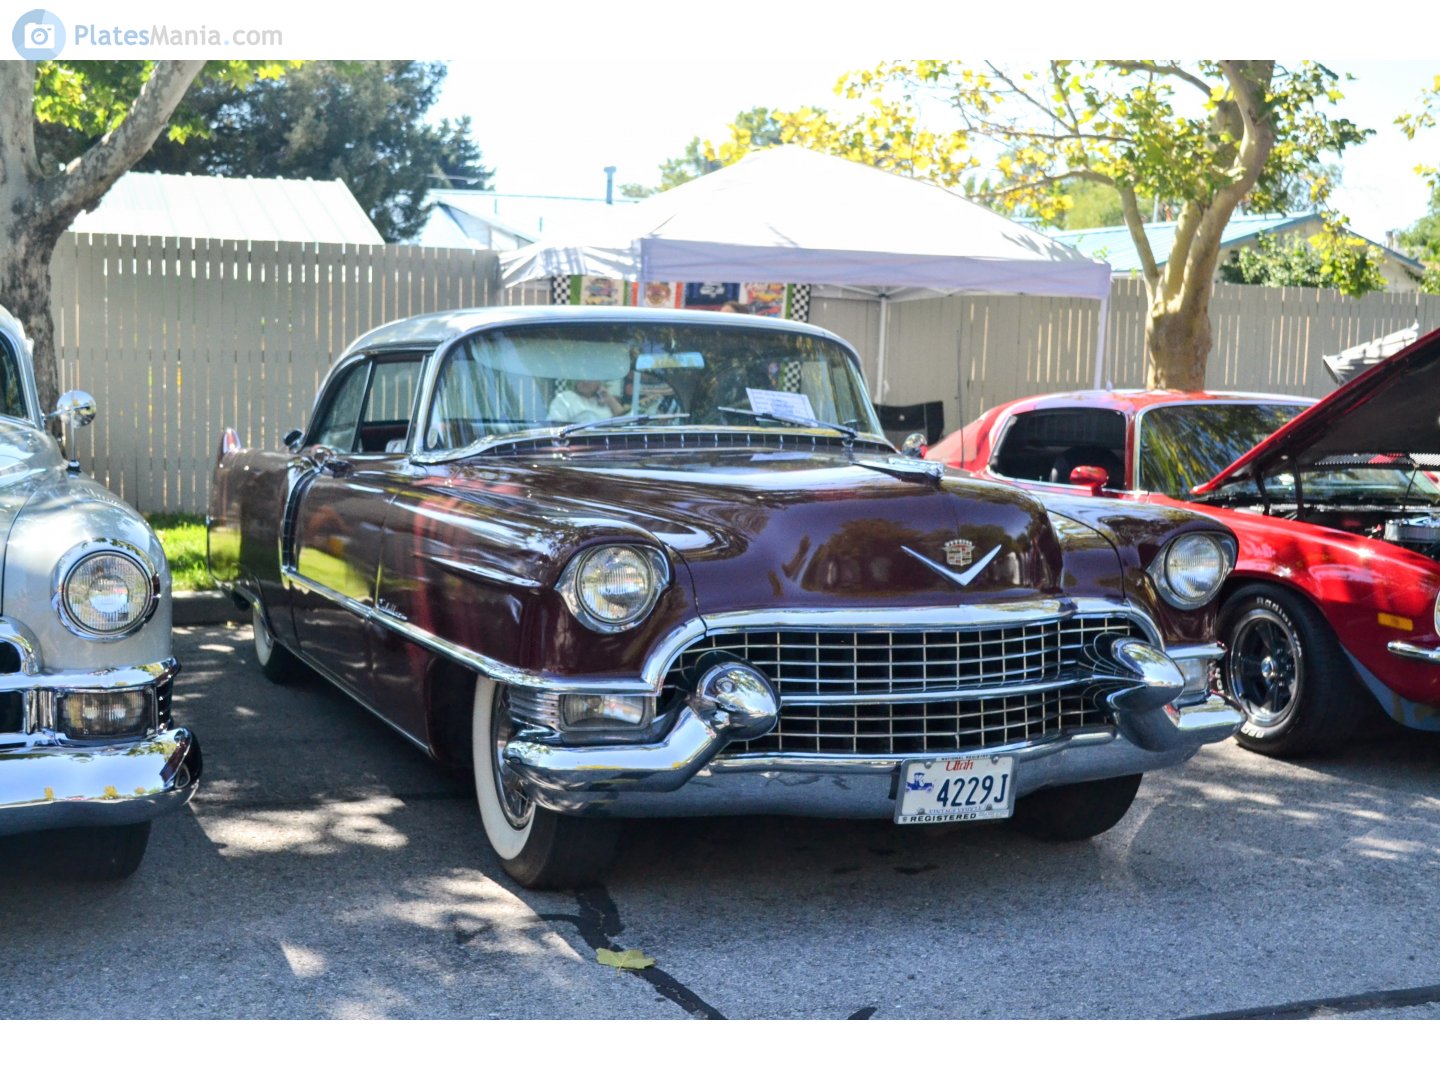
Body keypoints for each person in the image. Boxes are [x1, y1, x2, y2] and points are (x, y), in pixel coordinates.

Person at [548, 379, 625, 424]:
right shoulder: (565, 398)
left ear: (599, 382)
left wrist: (611, 401)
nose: (585, 381)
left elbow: (623, 422)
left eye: (590, 378)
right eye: (581, 377)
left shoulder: (605, 399)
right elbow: (556, 426)